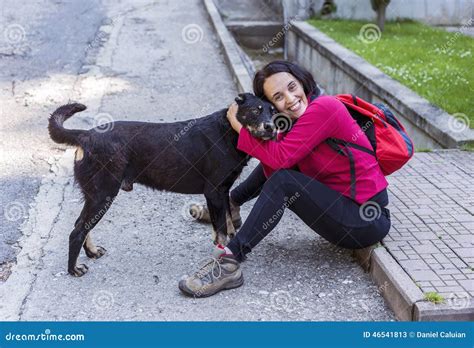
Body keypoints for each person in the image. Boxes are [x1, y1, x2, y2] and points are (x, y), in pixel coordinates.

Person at [178, 60, 391, 298]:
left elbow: (280, 161)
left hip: (365, 221)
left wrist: (240, 127)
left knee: (284, 178)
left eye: (292, 87)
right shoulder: (295, 122)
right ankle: (232, 206)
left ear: (302, 81)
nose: (290, 99)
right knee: (279, 162)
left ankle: (229, 262)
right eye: (278, 97)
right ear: (271, 105)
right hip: (343, 210)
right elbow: (275, 161)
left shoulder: (325, 108)